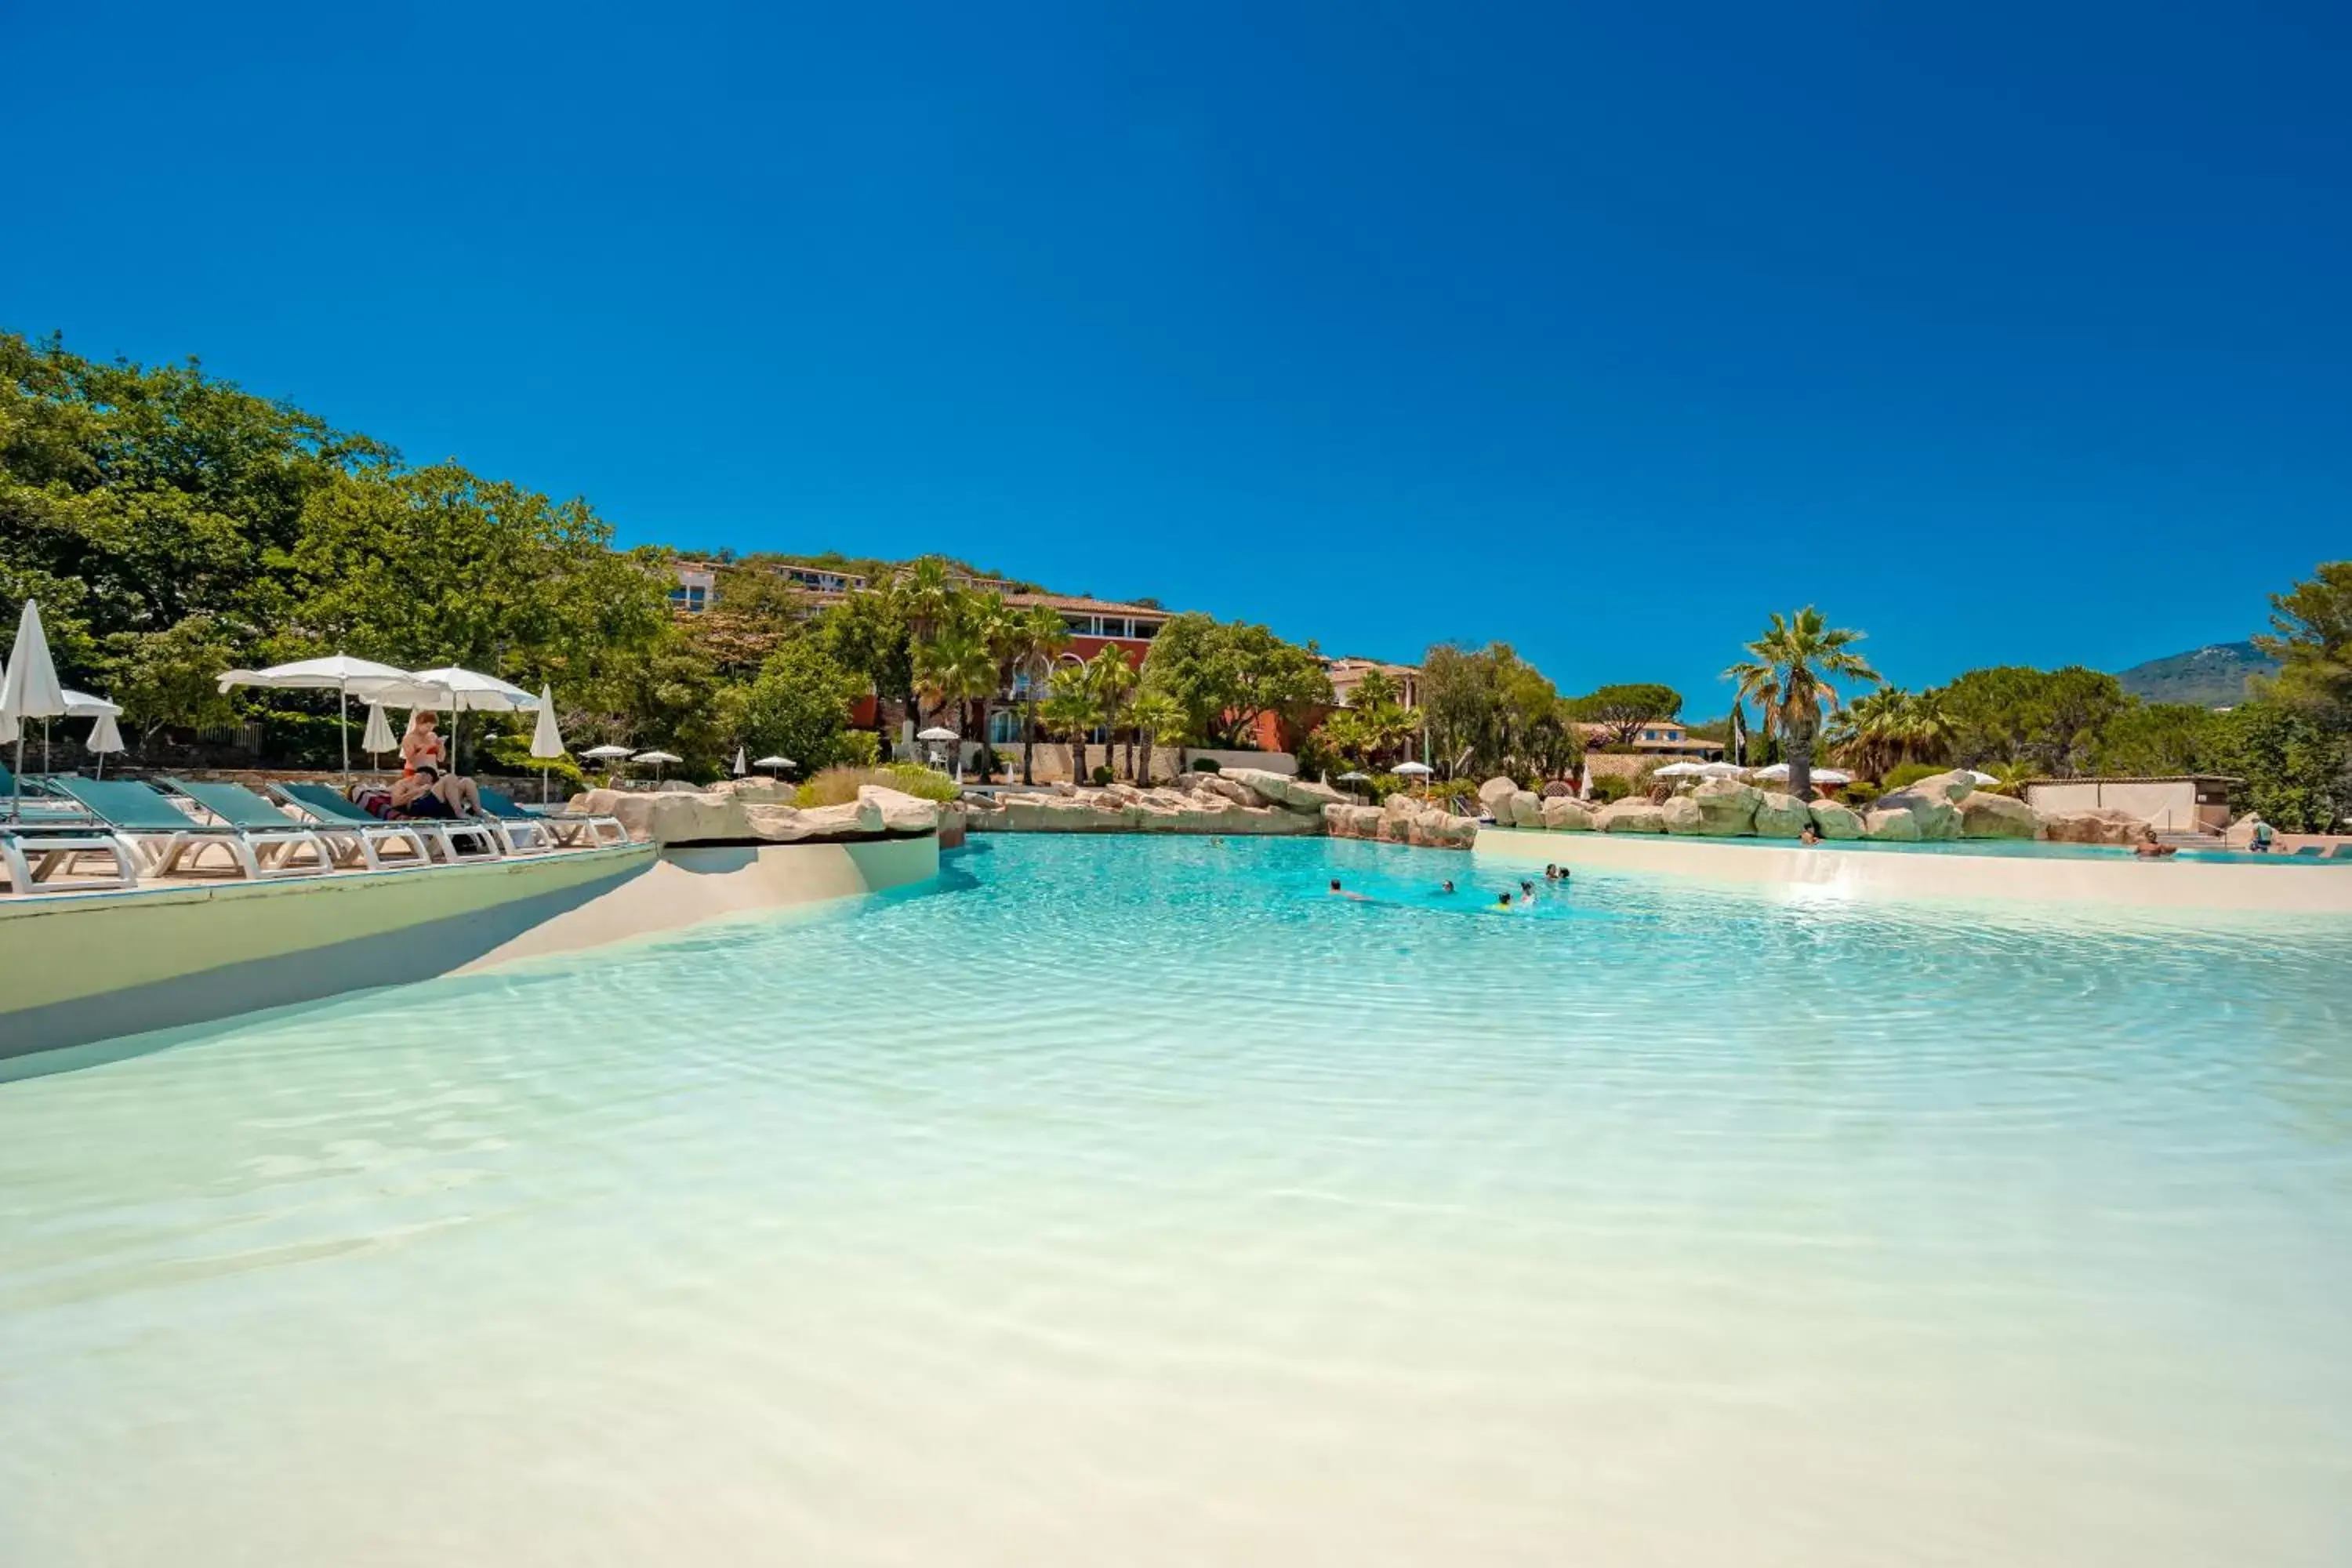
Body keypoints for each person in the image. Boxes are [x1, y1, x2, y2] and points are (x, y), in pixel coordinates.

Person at [387, 762, 481, 820]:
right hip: (419, 807)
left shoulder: (435, 786)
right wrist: (419, 790)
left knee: (467, 781)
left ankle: (479, 812)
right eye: (422, 774)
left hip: (442, 807)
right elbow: (395, 802)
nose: (425, 777)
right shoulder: (404, 783)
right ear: (416, 774)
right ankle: (459, 812)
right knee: (450, 777)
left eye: (428, 776)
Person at [401, 709, 445, 776]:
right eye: (428, 726)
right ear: (418, 724)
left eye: (432, 727)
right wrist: (426, 747)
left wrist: (441, 746)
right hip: (414, 773)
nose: (430, 729)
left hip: (432, 773)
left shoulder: (432, 736)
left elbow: (441, 759)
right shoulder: (409, 739)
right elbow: (413, 761)